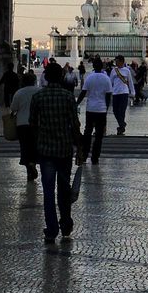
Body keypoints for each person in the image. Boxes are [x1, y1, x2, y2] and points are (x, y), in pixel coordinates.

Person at [29, 61, 83, 243]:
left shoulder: (38, 97)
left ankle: (51, 228)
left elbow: (32, 124)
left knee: (48, 191)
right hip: (65, 150)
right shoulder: (68, 97)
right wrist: (80, 148)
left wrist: (37, 143)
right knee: (64, 189)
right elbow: (75, 125)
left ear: (45, 76)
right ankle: (66, 223)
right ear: (61, 77)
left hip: (45, 151)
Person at [77, 57, 112, 164]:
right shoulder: (106, 79)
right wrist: (106, 108)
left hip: (90, 109)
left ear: (93, 66)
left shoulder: (89, 77)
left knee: (87, 132)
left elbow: (83, 93)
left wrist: (76, 103)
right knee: (99, 135)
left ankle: (85, 154)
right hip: (101, 110)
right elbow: (108, 95)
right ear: (102, 67)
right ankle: (95, 157)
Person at [10, 72, 41, 181]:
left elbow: (13, 108)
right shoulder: (39, 91)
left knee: (25, 147)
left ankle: (29, 169)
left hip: (22, 124)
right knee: (35, 145)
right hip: (36, 123)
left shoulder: (19, 93)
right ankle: (33, 162)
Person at [110, 54, 135, 134]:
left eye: (117, 61)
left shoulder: (127, 70)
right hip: (115, 93)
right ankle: (122, 124)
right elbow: (110, 82)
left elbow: (130, 82)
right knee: (115, 111)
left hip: (124, 93)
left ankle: (121, 127)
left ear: (121, 62)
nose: (116, 63)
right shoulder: (114, 70)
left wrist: (133, 92)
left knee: (122, 111)